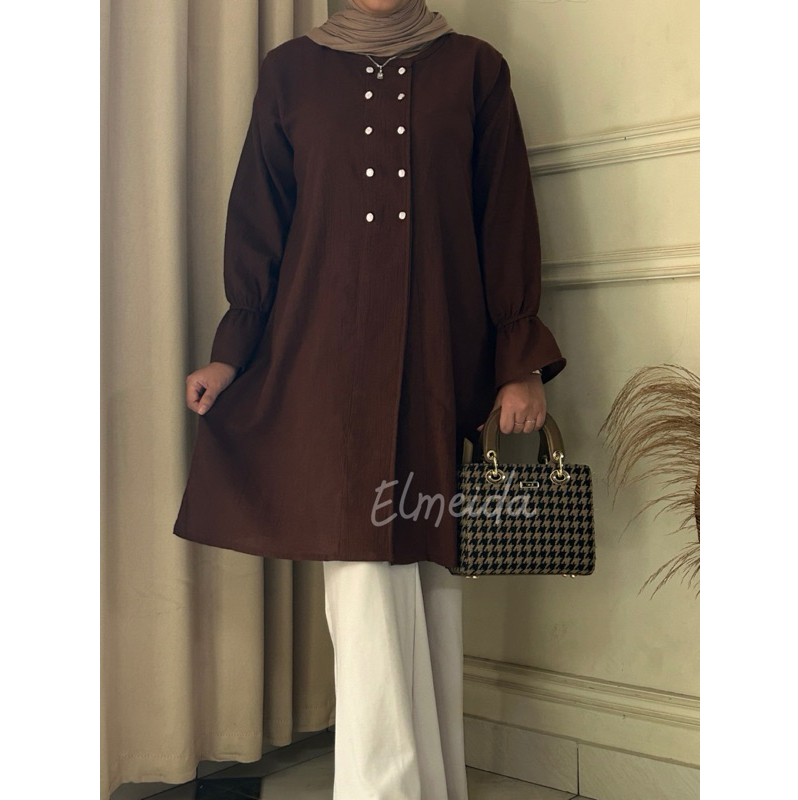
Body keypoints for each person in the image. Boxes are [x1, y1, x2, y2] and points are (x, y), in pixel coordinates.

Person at [173, 1, 566, 797]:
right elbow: (261, 219)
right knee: (361, 579)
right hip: (325, 366)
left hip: (438, 358)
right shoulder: (290, 73)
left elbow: (504, 216)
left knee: (431, 575)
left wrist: (519, 362)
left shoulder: (475, 70)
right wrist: (233, 353)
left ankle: (435, 782)